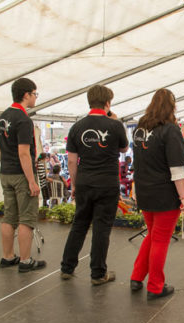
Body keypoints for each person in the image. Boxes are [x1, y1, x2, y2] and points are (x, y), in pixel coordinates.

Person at [60, 84, 128, 285]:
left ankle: (67, 267)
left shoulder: (77, 127)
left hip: (84, 182)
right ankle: (98, 274)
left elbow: (72, 160)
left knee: (79, 224)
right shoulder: (115, 126)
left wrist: (74, 184)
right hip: (107, 183)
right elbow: (124, 148)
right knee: (101, 229)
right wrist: (114, 121)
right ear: (108, 103)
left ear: (90, 102)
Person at [130, 88, 184, 300]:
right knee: (160, 240)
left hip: (145, 190)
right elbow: (176, 169)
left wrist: (136, 188)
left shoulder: (140, 128)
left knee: (153, 234)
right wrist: (183, 198)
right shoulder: (170, 130)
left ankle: (137, 276)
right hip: (164, 193)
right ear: (171, 107)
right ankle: (155, 286)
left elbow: (138, 163)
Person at [0, 77, 46, 272]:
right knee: (26, 218)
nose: (35, 98)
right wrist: (32, 181)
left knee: (9, 217)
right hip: (21, 175)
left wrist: (5, 166)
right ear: (26, 94)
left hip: (5, 172)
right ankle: (25, 260)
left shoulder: (2, 118)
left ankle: (7, 257)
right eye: (34, 94)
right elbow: (24, 152)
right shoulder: (23, 120)